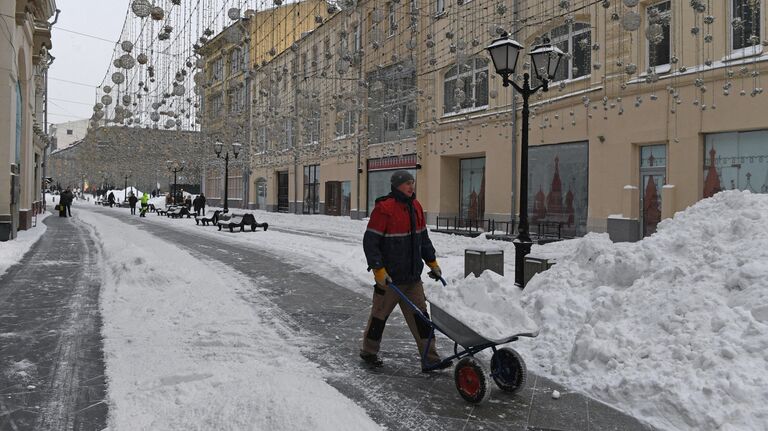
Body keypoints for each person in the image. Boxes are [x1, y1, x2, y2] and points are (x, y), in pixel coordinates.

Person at [359, 170, 448, 372]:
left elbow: (423, 240)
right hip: (389, 279)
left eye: (412, 183)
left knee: (422, 319)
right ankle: (369, 351)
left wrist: (432, 262)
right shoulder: (384, 208)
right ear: (397, 186)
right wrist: (378, 270)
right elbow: (371, 242)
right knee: (379, 318)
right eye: (407, 183)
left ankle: (431, 359)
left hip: (412, 278)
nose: (411, 187)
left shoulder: (416, 207)